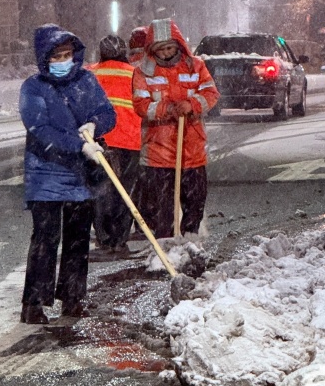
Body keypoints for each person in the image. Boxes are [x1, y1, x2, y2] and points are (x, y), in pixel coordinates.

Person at [18, 23, 116, 324]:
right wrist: (78, 146)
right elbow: (40, 129)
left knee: (77, 239)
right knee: (46, 238)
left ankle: (72, 297)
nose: (64, 61)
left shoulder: (86, 81)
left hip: (80, 177)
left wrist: (95, 125)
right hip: (45, 175)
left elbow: (108, 112)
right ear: (44, 58)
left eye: (68, 54)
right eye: (57, 56)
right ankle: (34, 303)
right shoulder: (33, 88)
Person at [131, 18, 220, 239]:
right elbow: (141, 105)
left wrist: (192, 104)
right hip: (159, 149)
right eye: (161, 50)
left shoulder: (196, 66)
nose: (166, 54)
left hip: (192, 147)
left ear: (179, 45)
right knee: (162, 204)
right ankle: (166, 242)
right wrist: (167, 109)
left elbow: (211, 94)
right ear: (152, 50)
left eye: (170, 48)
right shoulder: (144, 73)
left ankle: (190, 237)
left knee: (194, 199)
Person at [86, 34, 142, 255]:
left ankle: (104, 239)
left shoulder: (90, 73)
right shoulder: (135, 74)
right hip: (130, 140)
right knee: (125, 191)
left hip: (101, 140)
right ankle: (119, 239)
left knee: (100, 191)